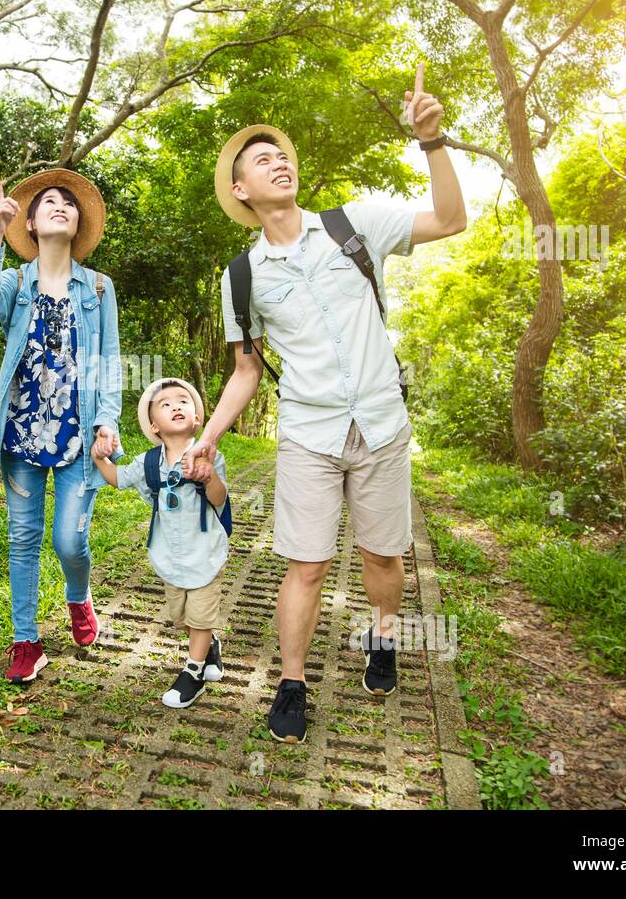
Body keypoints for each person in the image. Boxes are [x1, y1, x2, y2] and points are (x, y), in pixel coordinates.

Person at [187, 64, 467, 742]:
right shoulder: (241, 275)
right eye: (262, 159)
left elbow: (453, 220)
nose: (278, 162)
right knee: (305, 564)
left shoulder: (355, 225)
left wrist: (433, 143)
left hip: (380, 425)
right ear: (240, 189)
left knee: (382, 558)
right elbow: (246, 370)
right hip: (308, 433)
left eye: (282, 154)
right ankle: (292, 683)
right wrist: (210, 437)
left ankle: (384, 633)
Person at [0, 169, 124, 684]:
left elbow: (109, 361)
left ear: (78, 223)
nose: (59, 206)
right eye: (47, 202)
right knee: (22, 537)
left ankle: (78, 598)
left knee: (69, 542)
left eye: (68, 203)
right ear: (30, 223)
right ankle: (25, 641)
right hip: (20, 431)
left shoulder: (99, 288)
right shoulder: (15, 284)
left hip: (80, 439)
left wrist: (107, 421)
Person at [92, 377, 230, 708]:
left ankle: (192, 673)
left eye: (183, 401)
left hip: (205, 552)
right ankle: (209, 646)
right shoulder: (149, 462)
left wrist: (208, 476)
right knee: (182, 617)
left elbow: (220, 498)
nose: (176, 406)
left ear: (197, 418)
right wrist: (100, 458)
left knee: (200, 615)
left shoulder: (209, 455)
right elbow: (118, 479)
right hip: (170, 555)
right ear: (155, 425)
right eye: (165, 404)